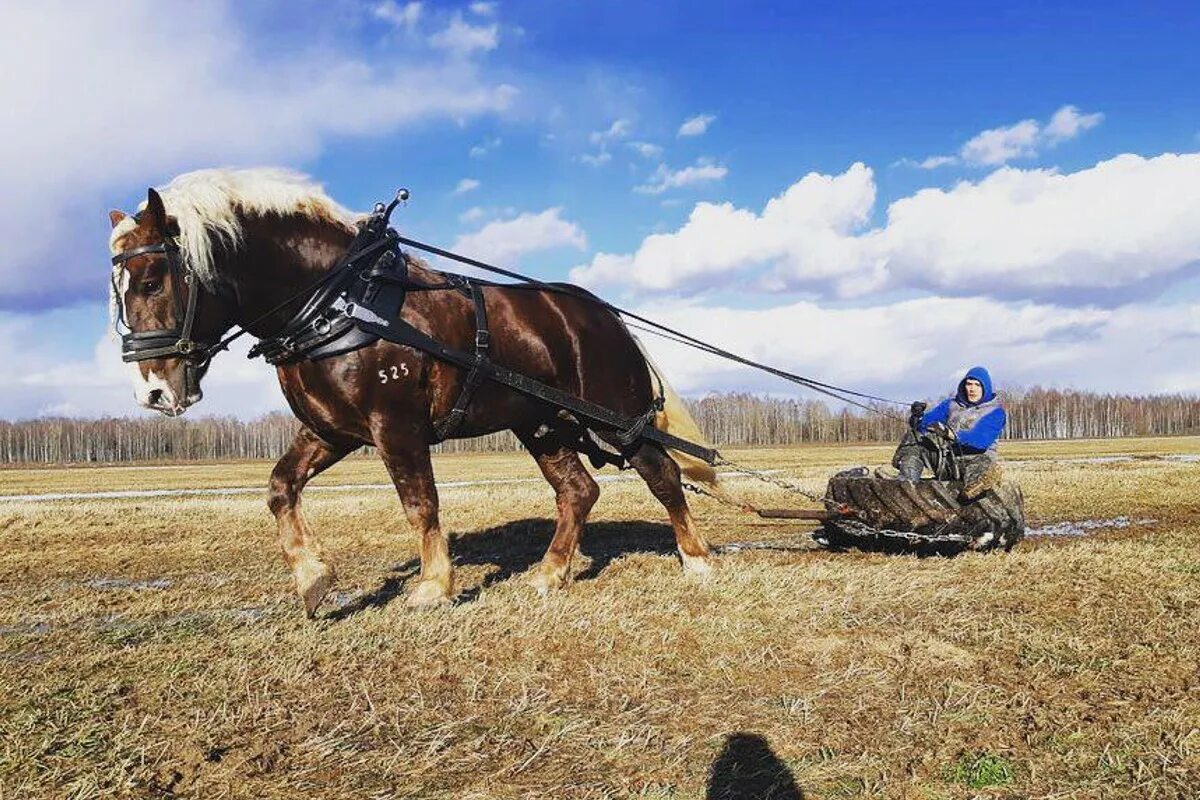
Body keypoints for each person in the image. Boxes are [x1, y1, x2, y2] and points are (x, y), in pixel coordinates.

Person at [890, 366, 1007, 485]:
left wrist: (951, 434)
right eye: (969, 384)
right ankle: (906, 482)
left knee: (983, 465)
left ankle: (975, 488)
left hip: (975, 461)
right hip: (948, 461)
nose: (972, 389)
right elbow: (925, 424)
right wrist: (917, 417)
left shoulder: (996, 412)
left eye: (977, 385)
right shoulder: (951, 404)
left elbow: (980, 441)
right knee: (915, 437)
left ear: (985, 388)